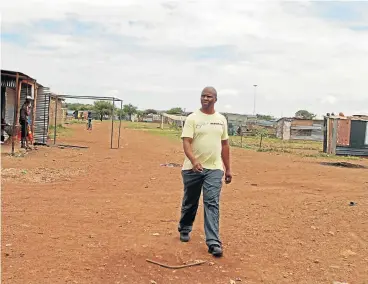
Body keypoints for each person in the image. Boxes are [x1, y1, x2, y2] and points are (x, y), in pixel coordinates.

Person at [178, 86, 232, 257]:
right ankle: (185, 227)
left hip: (214, 168)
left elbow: (225, 145)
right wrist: (194, 161)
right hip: (192, 168)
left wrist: (228, 168)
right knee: (190, 201)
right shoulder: (193, 118)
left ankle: (213, 242)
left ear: (215, 99)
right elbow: (186, 142)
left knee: (212, 203)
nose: (205, 99)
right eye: (203, 96)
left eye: (209, 96)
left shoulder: (221, 119)